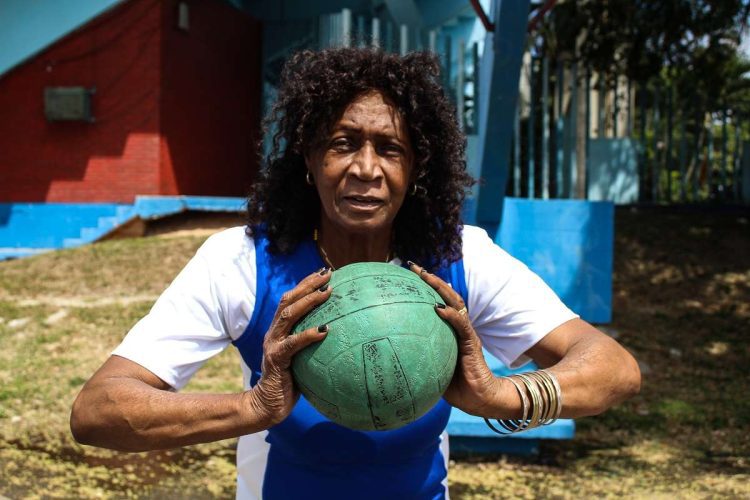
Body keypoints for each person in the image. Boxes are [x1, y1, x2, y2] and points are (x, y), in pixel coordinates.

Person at [70, 47, 641, 499]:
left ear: (417, 166)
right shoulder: (242, 262)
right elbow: (98, 411)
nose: (365, 168)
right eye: (344, 143)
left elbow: (613, 369)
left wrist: (501, 396)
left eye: (389, 149)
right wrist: (253, 407)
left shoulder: (462, 258)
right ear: (308, 156)